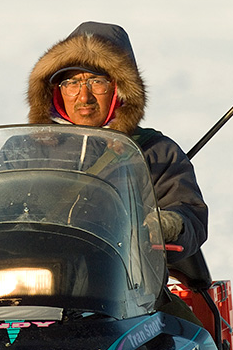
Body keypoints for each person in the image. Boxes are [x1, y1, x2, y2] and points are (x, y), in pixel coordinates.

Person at [26, 21, 208, 266]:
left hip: (125, 285)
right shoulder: (27, 148)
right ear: (55, 91)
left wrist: (169, 224)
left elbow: (190, 214)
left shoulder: (155, 151)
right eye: (71, 83)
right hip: (30, 275)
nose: (83, 96)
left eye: (96, 82)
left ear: (120, 88)